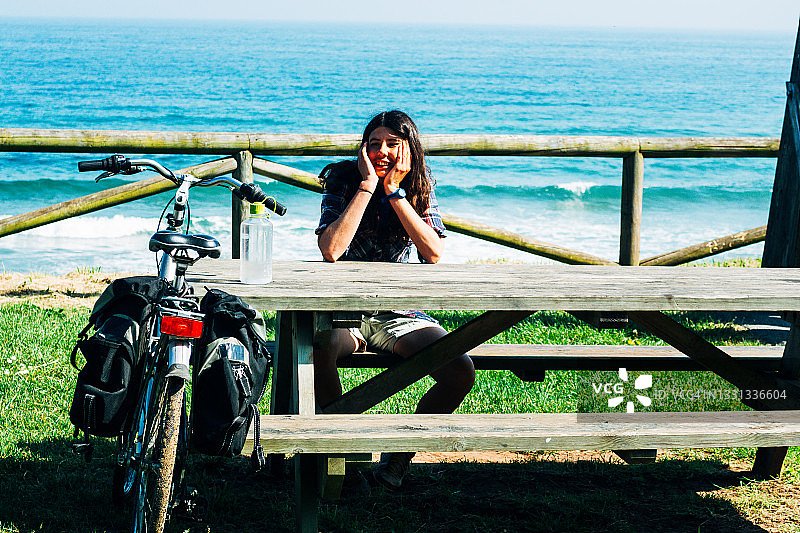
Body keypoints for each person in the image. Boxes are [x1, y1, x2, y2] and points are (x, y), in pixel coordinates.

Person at [314, 110, 475, 490]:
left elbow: (432, 252)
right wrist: (368, 186)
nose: (381, 151)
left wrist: (395, 194)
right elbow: (332, 249)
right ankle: (341, 456)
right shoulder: (342, 180)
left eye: (391, 144)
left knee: (460, 370)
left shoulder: (417, 186)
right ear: (362, 149)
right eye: (373, 144)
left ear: (408, 149)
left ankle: (398, 460)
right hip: (344, 310)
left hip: (398, 311)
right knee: (319, 349)